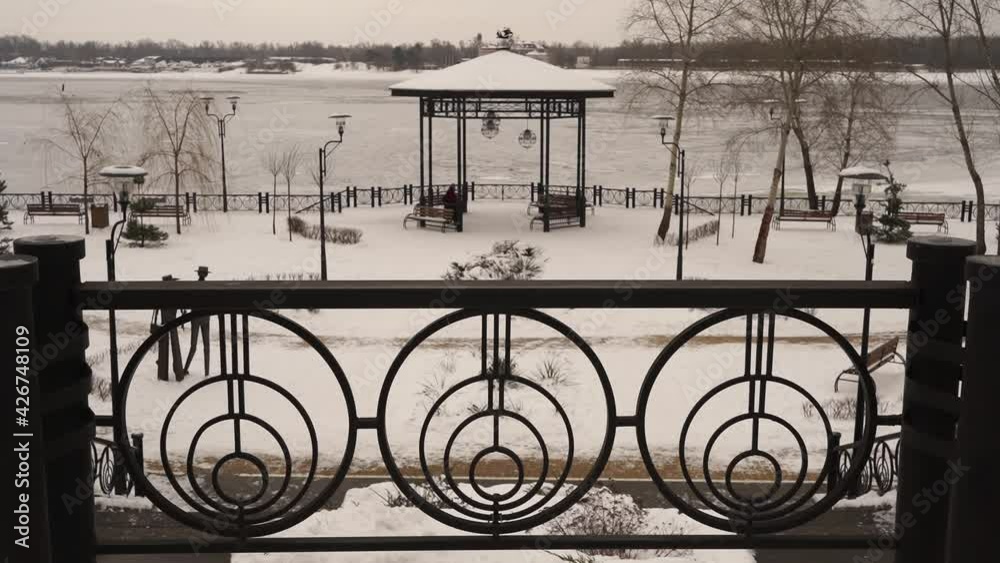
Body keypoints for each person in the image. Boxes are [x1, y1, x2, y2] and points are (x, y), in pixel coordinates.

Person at [153, 275, 186, 381]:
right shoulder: (175, 293)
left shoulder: (162, 293)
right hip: (173, 321)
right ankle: (179, 373)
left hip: (165, 322)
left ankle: (163, 373)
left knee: (163, 346)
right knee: (175, 346)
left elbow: (157, 308)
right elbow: (181, 306)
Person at [184, 266, 212, 376]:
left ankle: (185, 368)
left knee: (193, 346)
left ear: (198, 274)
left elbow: (190, 300)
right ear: (206, 274)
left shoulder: (194, 286)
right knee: (207, 347)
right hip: (206, 318)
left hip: (195, 318)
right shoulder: (209, 287)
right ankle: (206, 373)